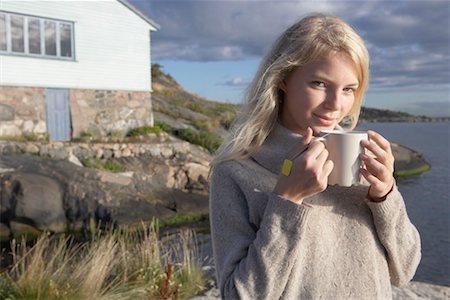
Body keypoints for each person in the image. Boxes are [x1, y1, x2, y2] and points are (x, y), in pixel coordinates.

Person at [209, 14, 421, 299]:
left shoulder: (361, 160)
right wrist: (287, 200)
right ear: (283, 78)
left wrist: (385, 195)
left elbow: (405, 270)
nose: (336, 105)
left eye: (348, 89)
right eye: (319, 84)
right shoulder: (236, 173)